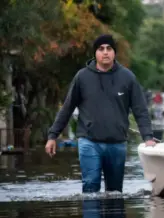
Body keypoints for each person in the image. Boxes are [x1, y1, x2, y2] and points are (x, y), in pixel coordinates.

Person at [45, 34, 156, 193]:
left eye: (109, 49)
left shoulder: (127, 77)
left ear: (114, 53)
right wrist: (52, 135)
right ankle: (92, 217)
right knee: (90, 186)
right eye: (101, 49)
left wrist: (148, 137)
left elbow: (140, 110)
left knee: (115, 192)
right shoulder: (82, 77)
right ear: (95, 53)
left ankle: (114, 217)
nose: (105, 52)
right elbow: (67, 108)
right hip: (89, 142)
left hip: (117, 143)